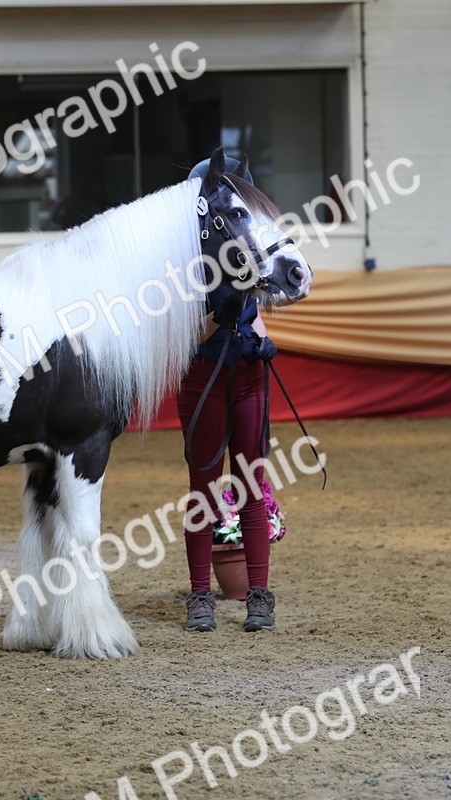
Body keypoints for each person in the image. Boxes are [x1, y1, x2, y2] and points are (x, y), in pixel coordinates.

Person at [179, 155, 278, 634]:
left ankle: (259, 596)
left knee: (251, 488)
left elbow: (254, 314)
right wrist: (220, 316)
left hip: (247, 378)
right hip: (203, 379)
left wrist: (262, 340)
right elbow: (185, 339)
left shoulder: (245, 253)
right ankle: (200, 596)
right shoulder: (184, 266)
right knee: (203, 491)